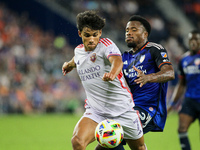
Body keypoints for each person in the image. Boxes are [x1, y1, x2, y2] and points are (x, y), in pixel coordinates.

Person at [62, 10, 146, 150]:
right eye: (87, 35)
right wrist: (68, 65)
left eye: (95, 35)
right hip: (96, 112)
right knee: (77, 141)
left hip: (123, 110)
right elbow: (77, 59)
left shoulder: (106, 45)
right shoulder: (78, 51)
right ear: (80, 33)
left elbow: (117, 61)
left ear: (100, 33)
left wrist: (113, 73)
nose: (91, 39)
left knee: (139, 148)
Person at [105, 15, 175, 150]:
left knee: (111, 137)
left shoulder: (154, 49)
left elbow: (170, 73)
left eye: (133, 30)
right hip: (128, 108)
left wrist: (148, 77)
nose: (128, 33)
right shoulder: (124, 57)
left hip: (149, 108)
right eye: (126, 30)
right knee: (111, 141)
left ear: (145, 34)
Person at [167, 30, 200, 150]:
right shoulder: (183, 60)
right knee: (181, 129)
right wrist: (171, 105)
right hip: (190, 99)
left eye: (196, 39)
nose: (193, 42)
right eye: (191, 39)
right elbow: (181, 84)